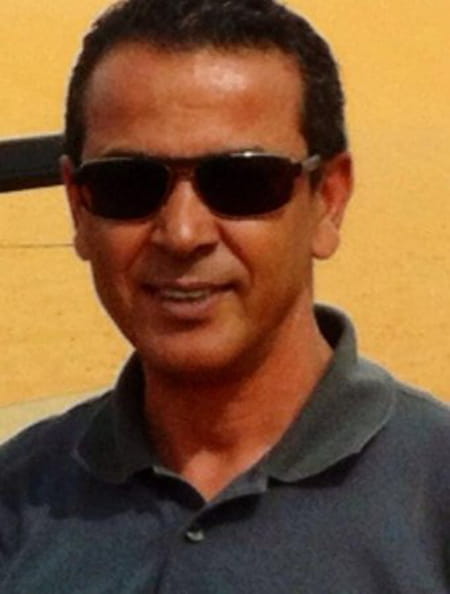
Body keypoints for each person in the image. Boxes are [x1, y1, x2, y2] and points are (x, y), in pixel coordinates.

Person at [1, 0, 449, 591]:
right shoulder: (17, 505)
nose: (182, 232)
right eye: (127, 184)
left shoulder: (434, 503)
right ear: (77, 208)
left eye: (243, 181)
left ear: (329, 200)